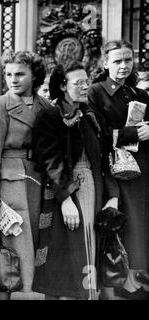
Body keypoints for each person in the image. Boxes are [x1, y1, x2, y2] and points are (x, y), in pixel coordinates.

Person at [32, 61, 119, 300]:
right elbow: (50, 160)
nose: (84, 86)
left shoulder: (91, 114)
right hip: (65, 189)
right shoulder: (49, 115)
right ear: (62, 86)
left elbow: (104, 157)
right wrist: (66, 199)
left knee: (90, 249)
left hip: (94, 188)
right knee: (62, 255)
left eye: (86, 81)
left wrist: (112, 196)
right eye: (77, 82)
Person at [0, 50, 51, 299]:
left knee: (30, 252)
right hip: (7, 185)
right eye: (8, 74)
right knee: (4, 251)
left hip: (36, 181)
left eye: (19, 74)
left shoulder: (46, 106)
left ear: (34, 75)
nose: (12, 79)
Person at [88, 40, 149, 300]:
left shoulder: (140, 93)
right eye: (117, 61)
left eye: (128, 60)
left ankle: (134, 278)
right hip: (113, 170)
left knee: (140, 226)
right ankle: (118, 284)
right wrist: (135, 132)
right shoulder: (96, 92)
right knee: (120, 226)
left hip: (141, 170)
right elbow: (97, 134)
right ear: (105, 64)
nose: (123, 66)